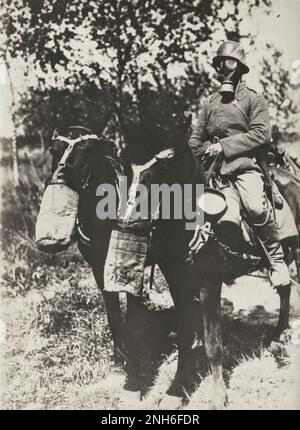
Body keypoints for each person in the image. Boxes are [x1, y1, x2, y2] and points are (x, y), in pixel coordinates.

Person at [188, 40, 290, 288]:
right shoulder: (211, 102)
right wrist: (203, 151)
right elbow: (195, 139)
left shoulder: (255, 100)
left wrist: (223, 146)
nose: (224, 70)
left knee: (255, 208)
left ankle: (277, 262)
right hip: (214, 172)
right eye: (220, 65)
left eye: (229, 63)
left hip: (245, 168)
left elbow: (261, 135)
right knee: (208, 215)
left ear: (240, 67)